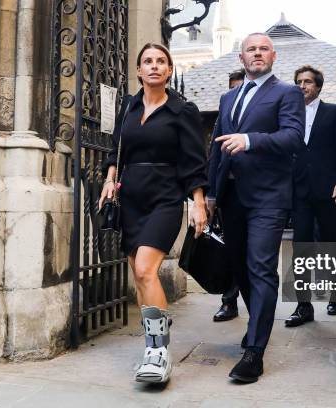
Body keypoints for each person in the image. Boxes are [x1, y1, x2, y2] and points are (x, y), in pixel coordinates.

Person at [99, 43, 208, 384]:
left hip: (165, 198)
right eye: (148, 61)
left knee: (147, 269)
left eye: (161, 61)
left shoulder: (182, 110)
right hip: (131, 198)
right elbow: (118, 147)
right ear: (138, 71)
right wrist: (109, 178)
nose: (155, 66)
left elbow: (193, 159)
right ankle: (157, 321)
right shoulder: (129, 107)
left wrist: (198, 202)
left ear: (170, 69)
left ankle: (157, 351)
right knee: (139, 273)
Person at [207, 33, 305, 383]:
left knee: (261, 268)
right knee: (241, 269)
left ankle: (255, 352)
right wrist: (210, 194)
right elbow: (217, 147)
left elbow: (294, 137)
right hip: (230, 198)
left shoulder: (287, 93)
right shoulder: (227, 96)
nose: (258, 53)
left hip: (268, 197)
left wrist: (250, 140)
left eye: (264, 49)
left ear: (274, 56)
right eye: (252, 49)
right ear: (242, 56)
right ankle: (256, 324)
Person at [285, 65, 336, 328]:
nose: (302, 86)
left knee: (329, 245)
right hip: (299, 192)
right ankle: (303, 306)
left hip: (328, 190)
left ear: (318, 86)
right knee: (300, 248)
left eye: (308, 82)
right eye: (299, 82)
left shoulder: (334, 112)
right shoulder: (288, 115)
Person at [212, 68, 245, 322]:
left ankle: (258, 309)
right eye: (232, 87)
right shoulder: (225, 108)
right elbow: (214, 153)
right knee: (230, 248)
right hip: (229, 191)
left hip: (259, 193)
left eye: (240, 87)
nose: (237, 92)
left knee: (256, 256)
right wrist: (211, 194)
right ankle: (229, 301)